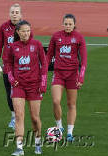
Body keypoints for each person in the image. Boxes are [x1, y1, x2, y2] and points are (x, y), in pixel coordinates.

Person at [3, 20, 48, 156]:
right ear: (18, 32)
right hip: (19, 86)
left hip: (34, 86)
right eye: (23, 31)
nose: (26, 33)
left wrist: (43, 83)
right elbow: (8, 64)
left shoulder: (37, 44)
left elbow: (44, 64)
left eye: (28, 30)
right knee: (18, 115)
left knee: (35, 118)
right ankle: (19, 147)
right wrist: (11, 78)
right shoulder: (13, 47)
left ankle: (38, 142)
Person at [47, 13, 87, 141]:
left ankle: (70, 132)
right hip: (58, 73)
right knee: (56, 101)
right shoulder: (56, 36)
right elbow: (48, 56)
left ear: (74, 25)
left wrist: (81, 77)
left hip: (72, 75)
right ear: (62, 24)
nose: (68, 26)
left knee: (71, 103)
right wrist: (43, 72)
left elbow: (84, 60)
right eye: (66, 24)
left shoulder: (79, 37)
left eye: (70, 24)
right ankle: (59, 126)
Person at [0, 3, 22, 129]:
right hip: (7, 65)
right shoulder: (4, 27)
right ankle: (13, 116)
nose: (14, 14)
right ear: (9, 13)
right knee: (9, 93)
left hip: (21, 66)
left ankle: (19, 116)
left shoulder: (25, 27)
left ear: (20, 14)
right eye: (12, 12)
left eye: (17, 12)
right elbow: (0, 45)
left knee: (19, 92)